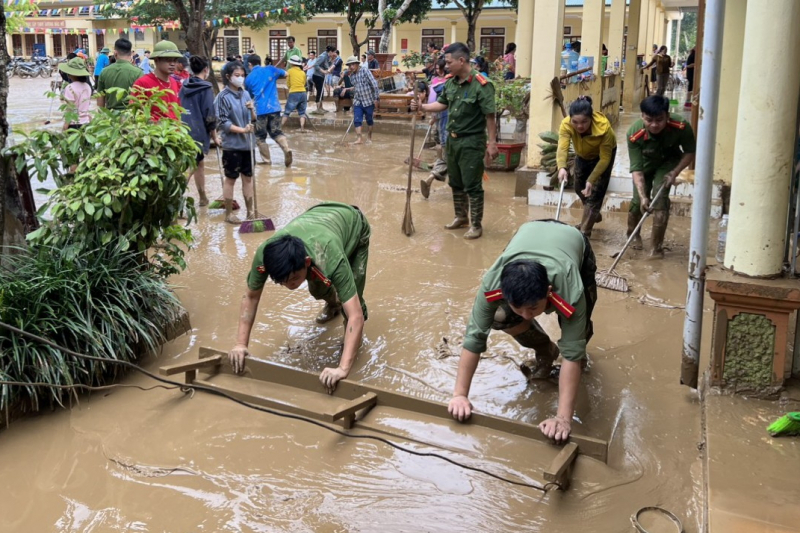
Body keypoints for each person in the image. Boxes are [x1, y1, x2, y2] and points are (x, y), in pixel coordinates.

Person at [448, 220, 597, 443]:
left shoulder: (570, 291)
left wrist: (563, 419)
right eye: (519, 307)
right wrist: (459, 395)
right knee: (500, 316)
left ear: (548, 293)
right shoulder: (491, 284)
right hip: (526, 234)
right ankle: (545, 349)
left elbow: (571, 355)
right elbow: (474, 338)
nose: (527, 316)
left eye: (533, 308)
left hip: (573, 245)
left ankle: (572, 360)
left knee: (578, 335)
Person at [228, 202, 372, 393]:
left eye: (295, 279)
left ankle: (349, 340)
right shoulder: (265, 255)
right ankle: (333, 305)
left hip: (353, 224)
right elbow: (251, 297)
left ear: (307, 262)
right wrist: (240, 345)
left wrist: (343, 369)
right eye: (282, 282)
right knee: (317, 290)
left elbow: (356, 316)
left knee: (352, 301)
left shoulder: (329, 255)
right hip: (316, 217)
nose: (290, 286)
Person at [415, 42, 498, 240]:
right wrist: (423, 107)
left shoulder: (482, 85)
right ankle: (461, 217)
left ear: (462, 60)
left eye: (449, 62)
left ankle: (476, 225)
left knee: (473, 185)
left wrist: (492, 143)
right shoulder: (451, 82)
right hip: (452, 141)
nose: (446, 65)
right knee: (456, 182)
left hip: (471, 142)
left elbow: (490, 117)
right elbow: (442, 104)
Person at [627, 95, 696, 258]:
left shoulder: (681, 126)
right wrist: (644, 196)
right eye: (649, 120)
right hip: (644, 163)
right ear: (642, 116)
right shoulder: (634, 133)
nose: (654, 125)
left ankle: (656, 248)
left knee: (660, 200)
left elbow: (690, 152)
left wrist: (676, 171)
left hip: (668, 163)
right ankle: (632, 235)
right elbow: (636, 170)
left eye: (659, 120)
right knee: (638, 202)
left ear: (667, 116)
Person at [556, 96, 617, 238]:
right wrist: (562, 167)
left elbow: (605, 159)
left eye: (584, 122)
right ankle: (593, 214)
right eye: (575, 122)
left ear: (592, 118)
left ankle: (584, 233)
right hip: (582, 155)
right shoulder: (566, 125)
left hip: (602, 157)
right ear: (570, 119)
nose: (580, 126)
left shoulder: (604, 128)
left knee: (594, 196)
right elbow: (562, 147)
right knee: (579, 188)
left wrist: (591, 180)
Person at [215, 61, 257, 224]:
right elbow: (222, 123)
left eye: (242, 76)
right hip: (232, 145)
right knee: (231, 178)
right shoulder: (222, 97)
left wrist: (252, 109)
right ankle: (228, 214)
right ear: (228, 77)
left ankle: (250, 212)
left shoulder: (245, 94)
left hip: (248, 145)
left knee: (248, 178)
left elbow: (253, 119)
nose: (240, 79)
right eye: (237, 76)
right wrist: (243, 130)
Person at [180, 55, 220, 207]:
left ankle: (203, 197)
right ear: (206, 69)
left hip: (183, 129)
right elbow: (209, 115)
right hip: (197, 132)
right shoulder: (206, 87)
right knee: (190, 166)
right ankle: (175, 197)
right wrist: (215, 137)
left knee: (198, 163)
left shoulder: (184, 85)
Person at [245, 54, 293, 167]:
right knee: (277, 132)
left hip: (260, 110)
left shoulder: (248, 78)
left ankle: (267, 160)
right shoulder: (271, 69)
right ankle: (286, 149)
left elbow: (249, 95)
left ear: (249, 64)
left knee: (260, 137)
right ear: (260, 61)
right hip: (275, 107)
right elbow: (286, 73)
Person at [131, 40, 183, 122]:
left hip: (175, 132)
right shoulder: (142, 83)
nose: (172, 63)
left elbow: (178, 110)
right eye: (168, 60)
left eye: (175, 60)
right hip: (154, 132)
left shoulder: (174, 82)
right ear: (156, 60)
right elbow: (134, 113)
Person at [97, 39, 143, 110]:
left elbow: (100, 100)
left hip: (110, 117)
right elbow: (141, 100)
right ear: (131, 53)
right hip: (130, 117)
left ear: (115, 53)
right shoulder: (138, 72)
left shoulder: (104, 72)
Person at [344, 55, 379, 145]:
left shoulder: (365, 71)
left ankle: (369, 137)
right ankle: (359, 139)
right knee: (357, 120)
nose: (351, 67)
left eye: (353, 65)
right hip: (358, 101)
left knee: (369, 120)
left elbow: (374, 84)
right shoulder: (351, 75)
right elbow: (355, 87)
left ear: (357, 64)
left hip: (368, 100)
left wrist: (376, 98)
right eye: (349, 65)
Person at [58, 57, 93, 131]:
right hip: (86, 123)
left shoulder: (70, 87)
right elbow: (86, 106)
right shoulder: (87, 86)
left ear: (71, 74)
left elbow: (70, 108)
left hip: (74, 124)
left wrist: (65, 126)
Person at [282, 57, 309, 132]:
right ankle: (302, 128)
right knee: (302, 112)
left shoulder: (289, 71)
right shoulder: (303, 72)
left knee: (287, 112)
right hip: (303, 93)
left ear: (292, 63)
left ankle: (280, 128)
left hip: (294, 92)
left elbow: (288, 83)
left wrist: (291, 88)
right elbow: (304, 83)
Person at [310, 47, 333, 114]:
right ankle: (318, 109)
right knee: (319, 92)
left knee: (321, 92)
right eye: (333, 52)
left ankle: (321, 108)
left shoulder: (327, 56)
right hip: (317, 76)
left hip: (321, 76)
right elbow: (316, 65)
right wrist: (323, 71)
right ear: (330, 51)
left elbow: (326, 66)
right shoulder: (322, 56)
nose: (334, 53)